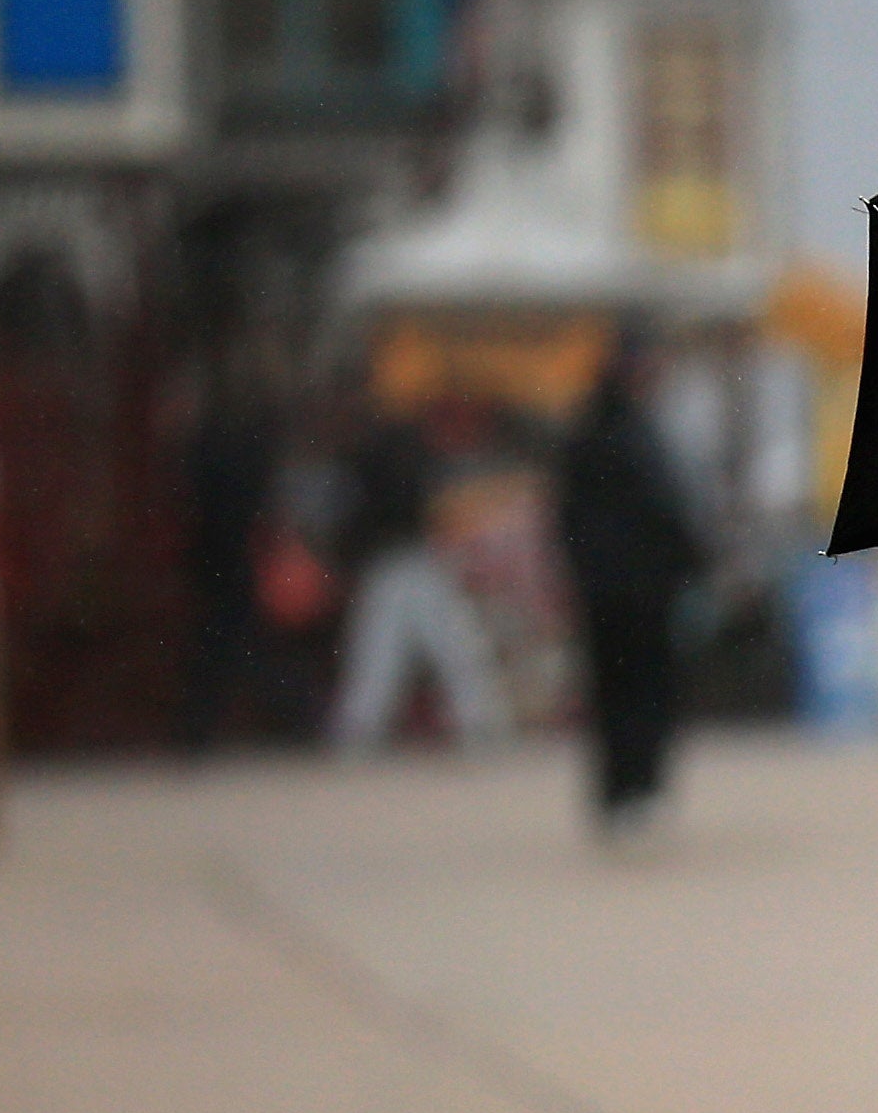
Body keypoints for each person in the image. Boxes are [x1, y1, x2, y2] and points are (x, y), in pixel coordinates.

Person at [555, 323, 707, 837]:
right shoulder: (636, 433)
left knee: (612, 690)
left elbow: (565, 517)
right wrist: (695, 557)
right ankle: (638, 787)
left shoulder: (588, 428)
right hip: (641, 588)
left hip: (606, 586)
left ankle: (619, 791)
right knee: (644, 690)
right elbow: (664, 509)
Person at [327, 380, 510, 756]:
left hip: (401, 561)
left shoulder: (379, 450)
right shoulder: (400, 452)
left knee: (386, 653)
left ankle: (357, 732)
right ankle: (480, 723)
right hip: (407, 561)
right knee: (444, 647)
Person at [173, 333, 285, 754]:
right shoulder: (247, 439)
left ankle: (198, 727)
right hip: (234, 553)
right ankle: (285, 718)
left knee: (223, 643)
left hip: (217, 552)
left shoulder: (209, 442)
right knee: (236, 641)